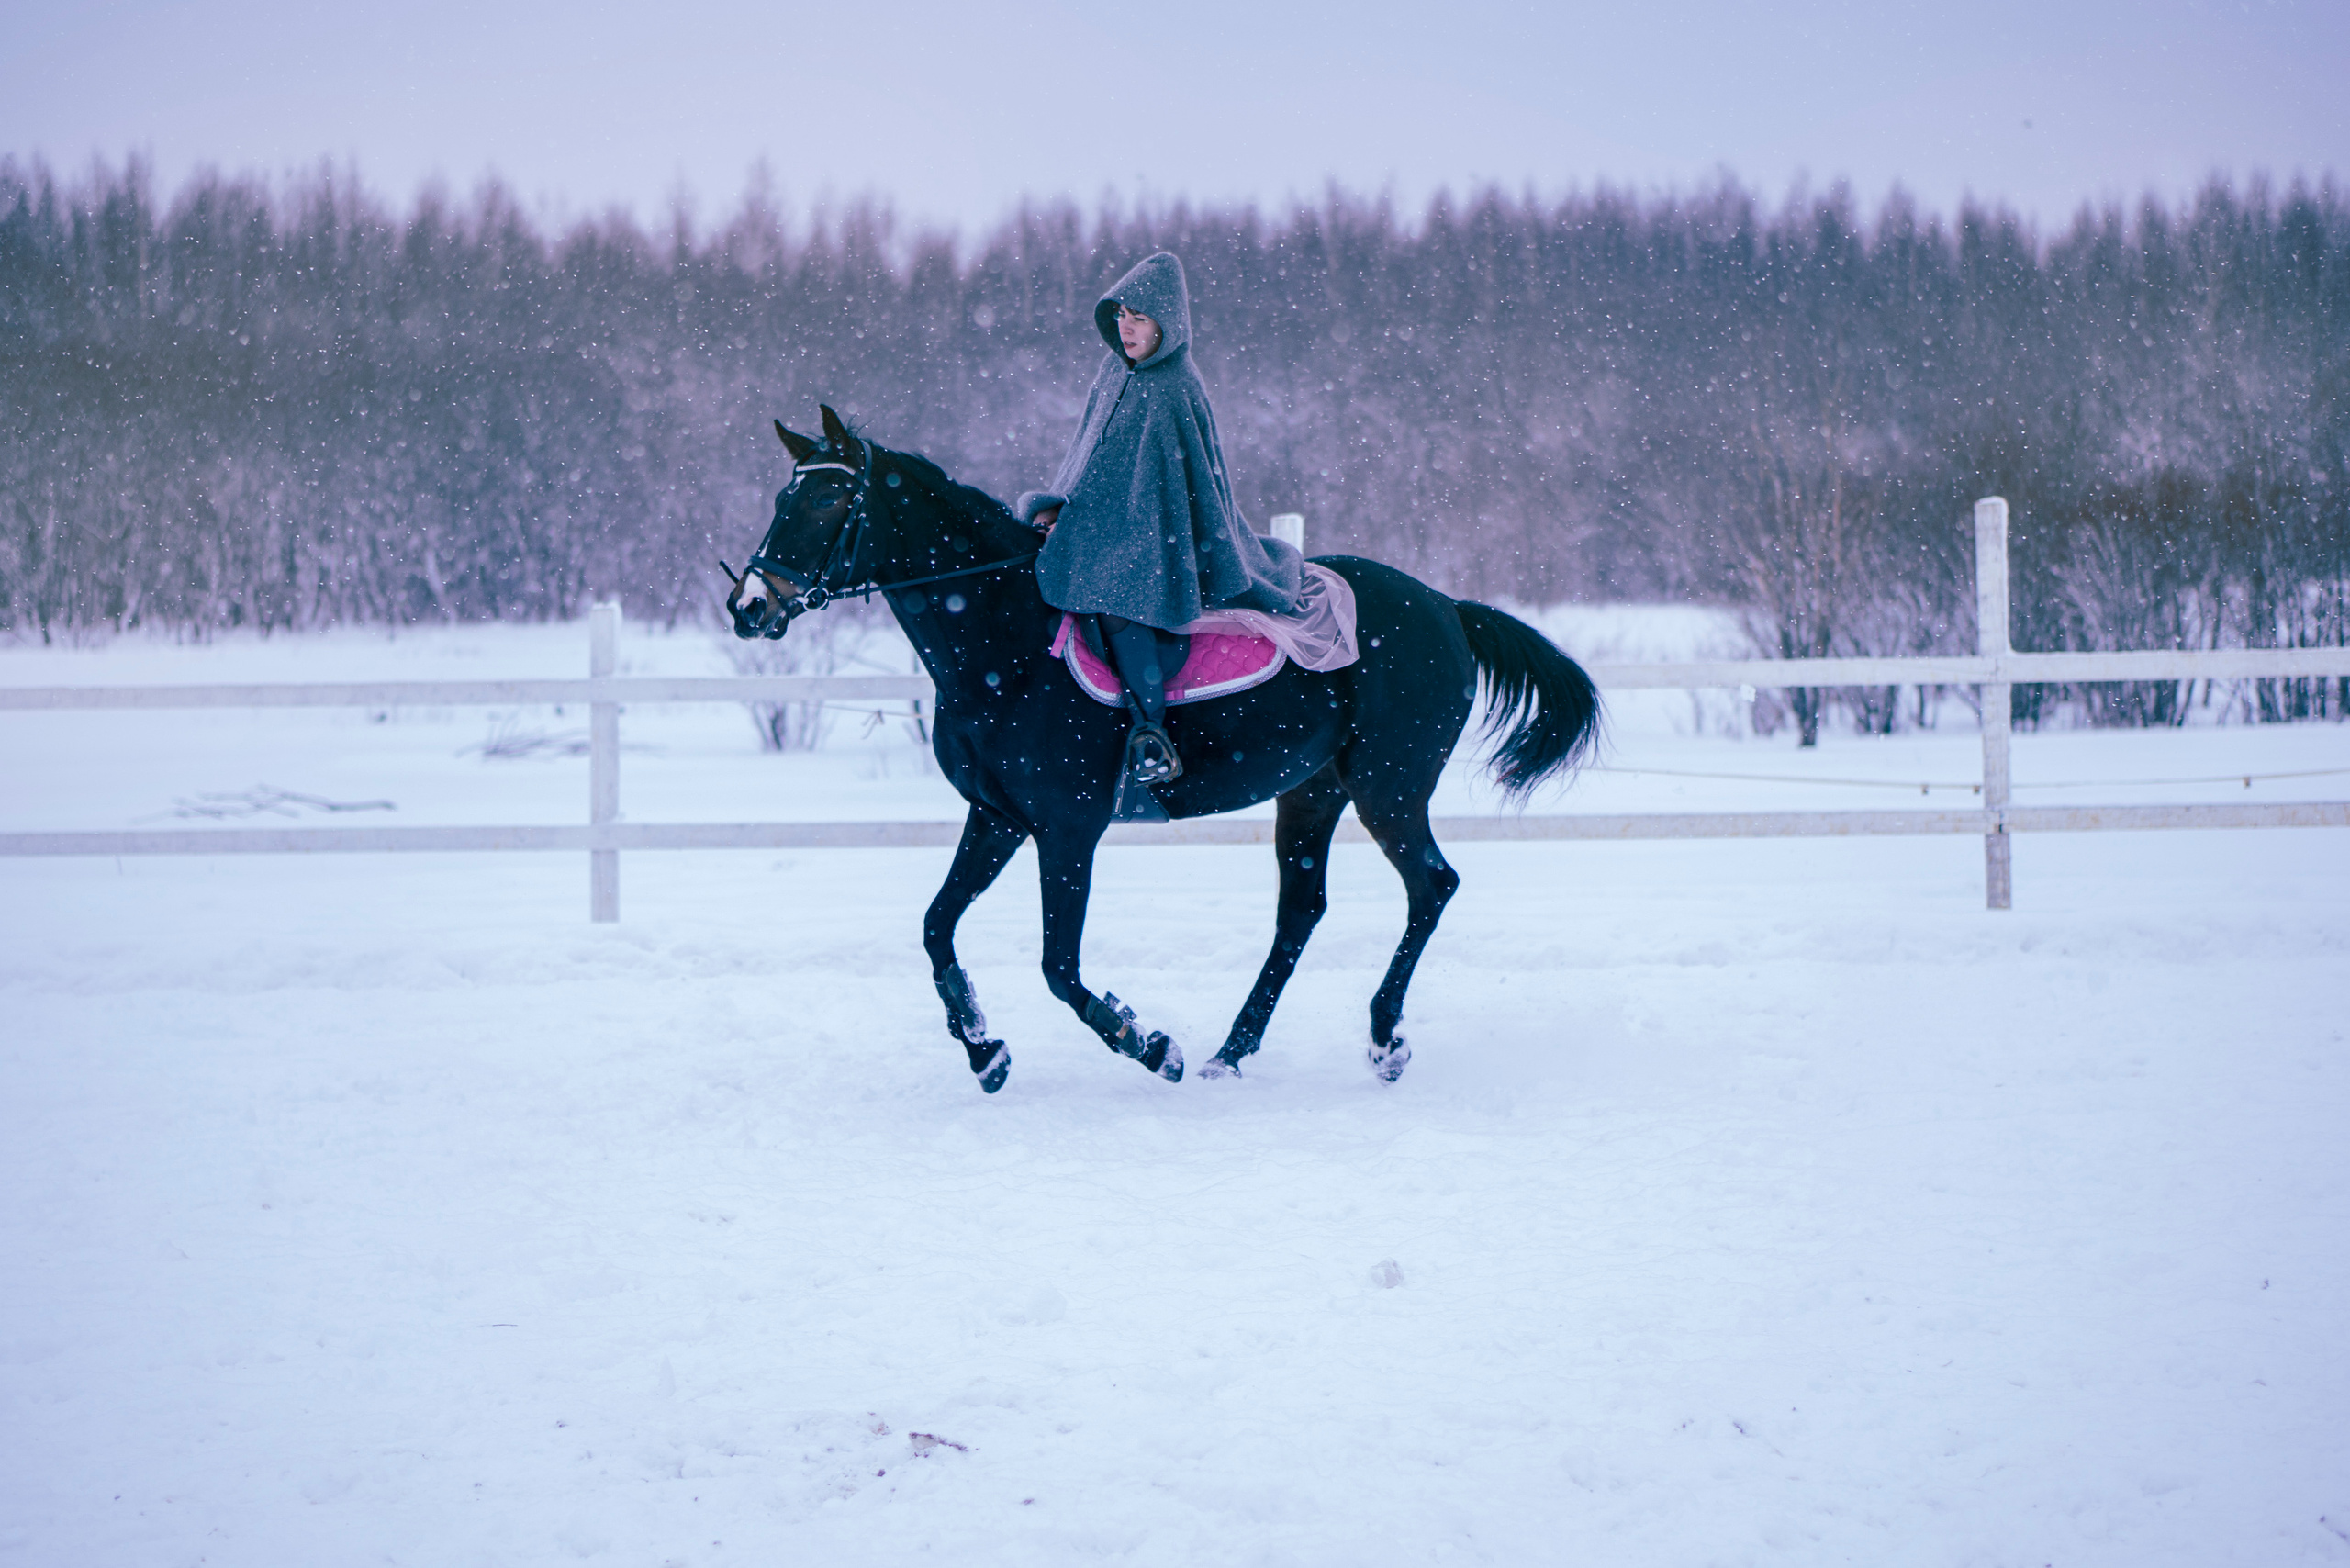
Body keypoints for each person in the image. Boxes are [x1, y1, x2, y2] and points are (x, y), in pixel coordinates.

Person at [1018, 251, 1304, 788]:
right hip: (1103, 529)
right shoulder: (1113, 372)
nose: (1126, 328)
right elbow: (1090, 459)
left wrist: (1095, 531)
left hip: (1162, 542)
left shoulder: (1173, 386)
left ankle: (1149, 733)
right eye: (1122, 315)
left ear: (1166, 325)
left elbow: (1168, 493)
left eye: (1140, 318)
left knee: (1118, 600)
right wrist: (1061, 507)